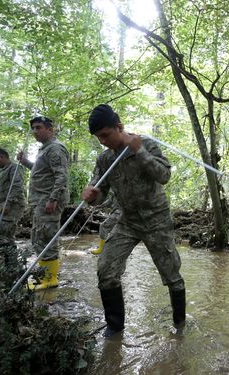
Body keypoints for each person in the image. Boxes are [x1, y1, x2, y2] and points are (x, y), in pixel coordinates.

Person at [82, 104, 185, 338]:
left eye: (105, 135)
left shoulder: (145, 144)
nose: (103, 141)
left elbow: (165, 176)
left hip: (156, 219)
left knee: (172, 275)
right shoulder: (104, 159)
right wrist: (90, 195)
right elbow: (100, 194)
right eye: (99, 137)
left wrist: (140, 152)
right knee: (106, 269)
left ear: (119, 126)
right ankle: (115, 328)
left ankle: (180, 325)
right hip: (127, 221)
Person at [17, 116, 70, 290]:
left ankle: (50, 279)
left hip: (48, 200)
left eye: (38, 127)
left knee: (46, 236)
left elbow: (61, 176)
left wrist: (53, 198)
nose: (34, 132)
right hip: (40, 200)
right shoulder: (44, 149)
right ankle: (45, 276)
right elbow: (41, 172)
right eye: (33, 128)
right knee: (39, 237)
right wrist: (25, 162)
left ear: (50, 129)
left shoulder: (55, 148)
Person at [90, 191, 122, 255]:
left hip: (119, 212)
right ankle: (115, 248)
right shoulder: (114, 187)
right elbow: (110, 200)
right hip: (118, 212)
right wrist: (100, 206)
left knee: (103, 226)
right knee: (117, 230)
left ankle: (101, 249)